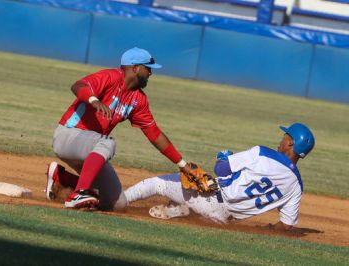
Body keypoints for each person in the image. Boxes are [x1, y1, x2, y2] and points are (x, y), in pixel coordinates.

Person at [45, 47, 194, 210]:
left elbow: (155, 135)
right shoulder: (110, 76)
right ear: (135, 67)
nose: (150, 73)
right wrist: (94, 101)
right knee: (108, 143)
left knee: (118, 203)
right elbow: (78, 85)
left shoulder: (139, 99)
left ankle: (61, 178)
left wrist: (182, 165)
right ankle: (78, 194)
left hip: (92, 149)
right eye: (148, 68)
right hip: (68, 136)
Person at [122, 123, 315, 230]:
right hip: (223, 219)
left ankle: (119, 201)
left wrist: (224, 158)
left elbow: (221, 169)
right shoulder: (297, 186)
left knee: (157, 184)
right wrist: (267, 230)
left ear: (291, 144)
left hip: (211, 198)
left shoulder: (262, 153)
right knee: (190, 204)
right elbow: (286, 226)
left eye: (285, 137)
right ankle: (179, 211)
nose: (280, 140)